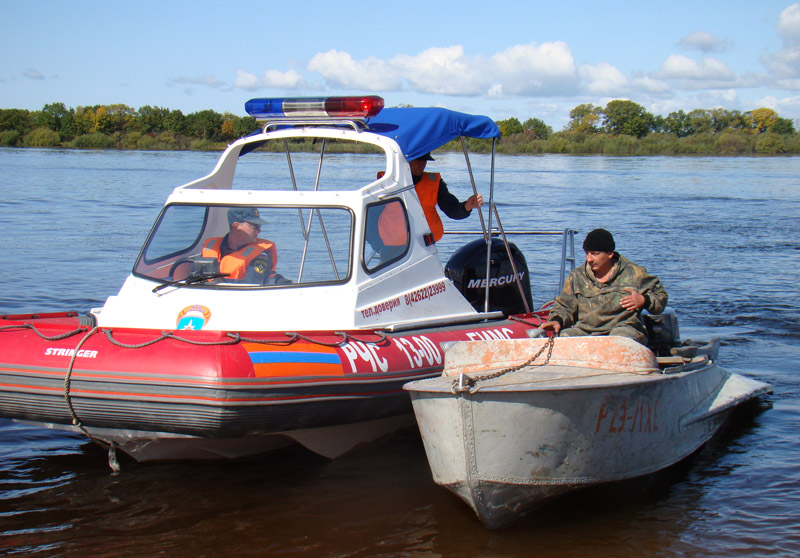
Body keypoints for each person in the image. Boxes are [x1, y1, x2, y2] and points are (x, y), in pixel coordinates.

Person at [541, 228, 668, 345]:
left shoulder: (634, 273)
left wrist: (644, 300)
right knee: (565, 338)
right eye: (587, 253)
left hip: (623, 328)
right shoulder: (577, 277)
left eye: (595, 254)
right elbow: (565, 306)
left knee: (619, 339)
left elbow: (660, 296)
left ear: (610, 254)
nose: (589, 259)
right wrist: (557, 320)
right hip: (587, 330)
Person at [409, 152, 482, 242]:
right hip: (394, 245)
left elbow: (451, 208)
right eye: (418, 160)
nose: (422, 164)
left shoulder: (434, 182)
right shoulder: (387, 181)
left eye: (424, 160)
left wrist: (467, 206)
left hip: (425, 242)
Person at [201, 207, 284, 284]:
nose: (259, 231)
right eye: (255, 227)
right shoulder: (211, 247)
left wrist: (218, 281)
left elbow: (250, 283)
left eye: (259, 226)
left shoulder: (261, 254)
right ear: (236, 226)